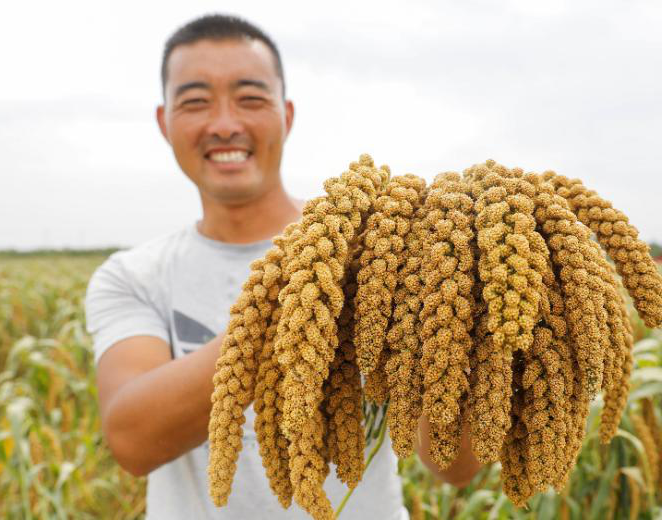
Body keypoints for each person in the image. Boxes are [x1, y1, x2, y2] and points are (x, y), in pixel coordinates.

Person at [85, 13, 481, 520]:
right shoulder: (135, 275)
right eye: (196, 101)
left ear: (286, 115)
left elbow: (454, 466)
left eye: (250, 99)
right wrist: (300, 297)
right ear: (164, 121)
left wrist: (462, 317)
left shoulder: (378, 251)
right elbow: (132, 440)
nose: (225, 123)